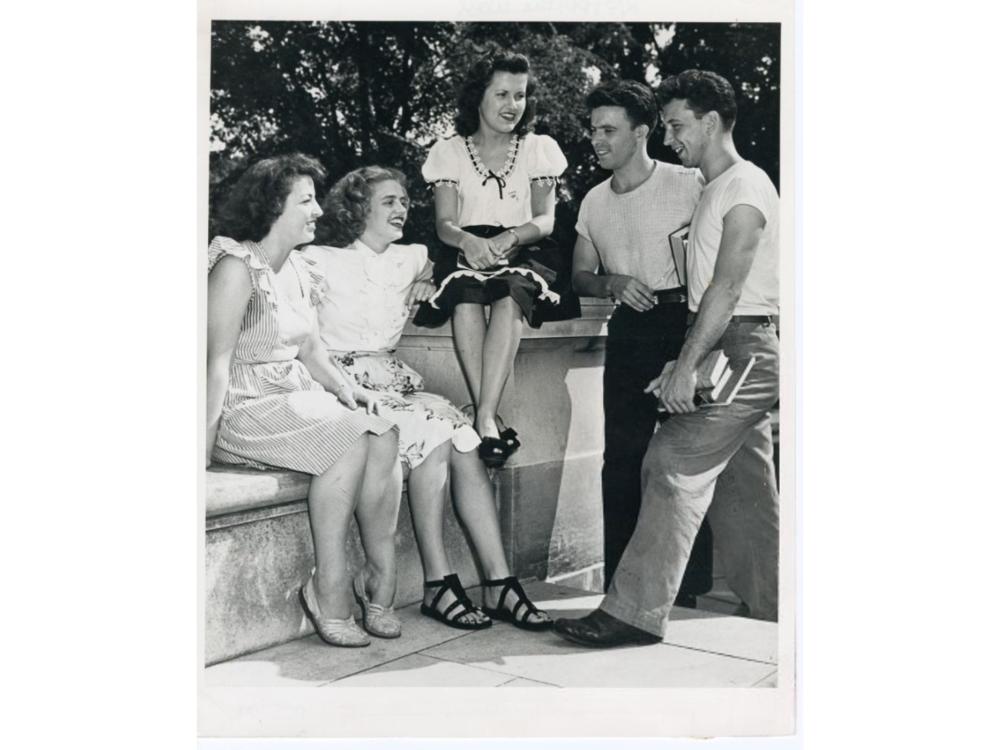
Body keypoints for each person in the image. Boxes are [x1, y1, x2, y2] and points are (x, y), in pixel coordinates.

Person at [554, 69, 781, 647]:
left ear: (710, 121)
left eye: (678, 124)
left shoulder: (742, 188)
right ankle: (780, 605)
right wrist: (685, 354)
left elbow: (726, 291)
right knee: (746, 487)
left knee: (670, 462)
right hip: (727, 342)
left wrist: (685, 364)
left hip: (743, 344)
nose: (672, 134)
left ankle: (632, 613)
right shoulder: (718, 186)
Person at [302, 165, 552, 631]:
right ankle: (443, 582)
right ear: (358, 208)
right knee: (441, 429)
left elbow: (447, 270)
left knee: (460, 434)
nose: (403, 209)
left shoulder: (413, 256)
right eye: (389, 202)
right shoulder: (316, 259)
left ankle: (496, 579)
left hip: (392, 377)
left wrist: (430, 277)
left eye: (404, 201)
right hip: (339, 381)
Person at [207, 153, 404, 648]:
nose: (318, 210)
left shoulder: (298, 269)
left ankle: (379, 577)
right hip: (244, 408)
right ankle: (328, 587)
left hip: (292, 400)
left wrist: (346, 388)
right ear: (274, 206)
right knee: (352, 439)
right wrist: (201, 451)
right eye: (307, 200)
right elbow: (214, 362)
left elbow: (311, 348)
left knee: (384, 435)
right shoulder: (236, 266)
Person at [571, 79, 715, 602]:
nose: (597, 139)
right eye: (592, 130)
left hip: (684, 327)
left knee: (682, 461)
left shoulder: (688, 182)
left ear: (641, 132)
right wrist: (611, 282)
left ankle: (688, 591)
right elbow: (580, 274)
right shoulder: (592, 200)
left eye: (608, 130)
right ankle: (620, 588)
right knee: (622, 460)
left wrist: (698, 348)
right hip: (629, 333)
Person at [414, 49, 578, 468]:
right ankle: (488, 416)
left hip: (524, 245)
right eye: (502, 94)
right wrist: (467, 242)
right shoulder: (449, 152)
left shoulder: (538, 149)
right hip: (467, 245)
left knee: (509, 293)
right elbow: (445, 223)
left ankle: (484, 415)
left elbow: (544, 219)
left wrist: (512, 236)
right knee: (465, 295)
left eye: (520, 96)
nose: (512, 106)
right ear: (478, 98)